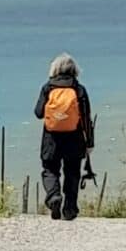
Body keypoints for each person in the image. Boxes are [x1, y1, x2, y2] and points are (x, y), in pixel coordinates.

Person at [34, 53, 94, 221]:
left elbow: (38, 113)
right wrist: (90, 143)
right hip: (74, 138)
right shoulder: (79, 89)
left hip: (51, 139)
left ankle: (54, 197)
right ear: (74, 70)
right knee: (72, 172)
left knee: (50, 170)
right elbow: (86, 118)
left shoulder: (48, 88)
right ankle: (69, 208)